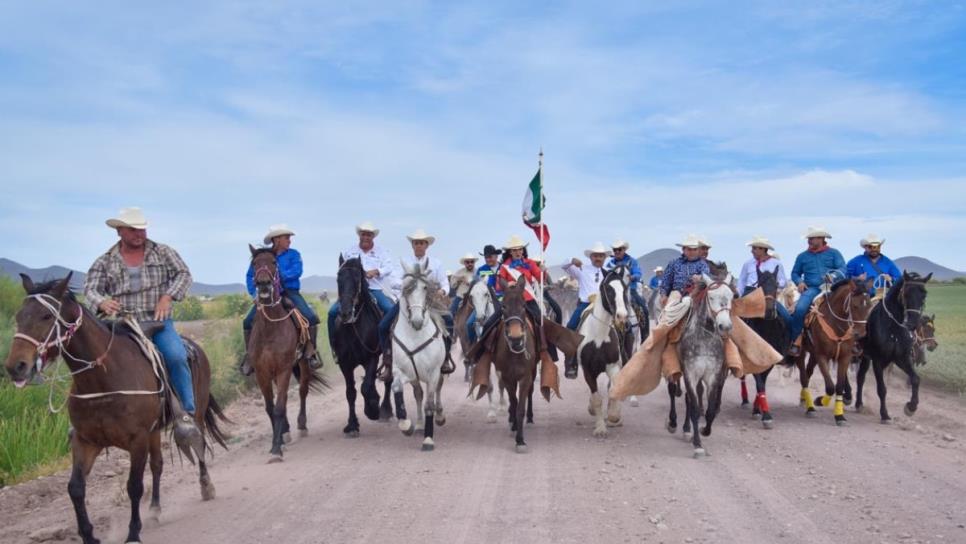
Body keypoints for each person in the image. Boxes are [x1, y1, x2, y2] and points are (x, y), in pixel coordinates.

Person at [84, 207, 200, 444]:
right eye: (132, 229)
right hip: (121, 323)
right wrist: (102, 301)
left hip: (157, 320)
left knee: (176, 356)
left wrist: (168, 296)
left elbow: (184, 274)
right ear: (120, 231)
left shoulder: (163, 252)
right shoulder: (105, 261)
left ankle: (186, 414)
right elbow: (90, 289)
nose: (139, 233)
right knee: (91, 360)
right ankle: (84, 420)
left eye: (142, 228)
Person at [239, 224, 321, 376]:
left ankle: (311, 352)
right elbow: (250, 275)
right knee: (247, 321)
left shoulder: (294, 254)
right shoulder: (263, 256)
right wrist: (254, 294)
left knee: (310, 317)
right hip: (267, 294)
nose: (290, 240)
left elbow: (297, 271)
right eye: (287, 237)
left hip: (290, 292)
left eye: (289, 237)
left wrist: (276, 277)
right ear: (276, 239)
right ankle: (250, 356)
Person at [379, 229, 454, 375]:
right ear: (412, 245)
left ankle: (445, 357)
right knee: (383, 326)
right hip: (408, 299)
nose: (419, 245)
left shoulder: (436, 263)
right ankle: (388, 360)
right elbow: (393, 280)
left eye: (421, 243)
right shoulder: (404, 262)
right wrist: (405, 284)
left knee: (449, 320)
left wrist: (442, 291)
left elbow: (444, 282)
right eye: (416, 243)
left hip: (430, 299)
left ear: (427, 245)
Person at [327, 221, 398, 354]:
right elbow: (342, 269)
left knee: (389, 310)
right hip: (352, 291)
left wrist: (375, 271)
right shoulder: (349, 251)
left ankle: (389, 345)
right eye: (363, 234)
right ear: (359, 235)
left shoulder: (381, 251)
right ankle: (334, 346)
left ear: (373, 237)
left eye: (369, 235)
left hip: (374, 289)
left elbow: (389, 267)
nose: (366, 237)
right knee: (332, 313)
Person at [788, 226, 847, 356]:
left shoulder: (834, 253)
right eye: (808, 238)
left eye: (812, 238)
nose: (809, 240)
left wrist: (834, 276)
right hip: (812, 288)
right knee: (800, 309)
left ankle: (853, 342)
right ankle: (796, 341)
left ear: (821, 238)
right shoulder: (802, 256)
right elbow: (795, 273)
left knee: (851, 306)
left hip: (833, 287)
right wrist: (799, 282)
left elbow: (843, 269)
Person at [562, 242, 609, 378]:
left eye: (601, 256)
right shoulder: (582, 269)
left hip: (603, 306)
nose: (598, 258)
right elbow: (564, 266)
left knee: (621, 325)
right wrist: (572, 260)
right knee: (571, 327)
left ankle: (622, 356)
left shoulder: (607, 272)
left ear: (604, 257)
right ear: (591, 257)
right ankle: (571, 361)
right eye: (596, 256)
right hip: (585, 304)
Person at [737, 235, 792, 327]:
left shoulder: (776, 263)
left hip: (767, 293)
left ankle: (791, 339)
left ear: (762, 249)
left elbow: (783, 281)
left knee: (787, 318)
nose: (751, 251)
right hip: (750, 292)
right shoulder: (747, 264)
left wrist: (775, 284)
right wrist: (738, 295)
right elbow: (741, 282)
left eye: (754, 248)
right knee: (737, 318)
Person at [605, 239, 647, 324]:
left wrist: (633, 277)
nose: (617, 251)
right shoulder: (610, 264)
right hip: (614, 292)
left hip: (630, 289)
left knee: (644, 309)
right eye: (615, 250)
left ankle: (645, 335)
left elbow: (638, 273)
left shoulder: (632, 261)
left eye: (619, 249)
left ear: (624, 249)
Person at [847, 234, 901, 298]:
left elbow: (899, 279)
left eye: (877, 247)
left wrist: (891, 279)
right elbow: (845, 276)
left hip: (882, 297)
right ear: (865, 247)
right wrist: (857, 278)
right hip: (862, 298)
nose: (874, 249)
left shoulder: (888, 263)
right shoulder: (856, 261)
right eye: (870, 247)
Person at [450, 253, 479, 342]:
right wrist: (459, 280)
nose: (470, 264)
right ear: (464, 263)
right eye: (467, 262)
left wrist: (470, 283)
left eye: (471, 262)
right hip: (461, 296)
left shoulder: (478, 272)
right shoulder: (459, 272)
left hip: (474, 297)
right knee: (451, 311)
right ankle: (451, 332)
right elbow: (452, 284)